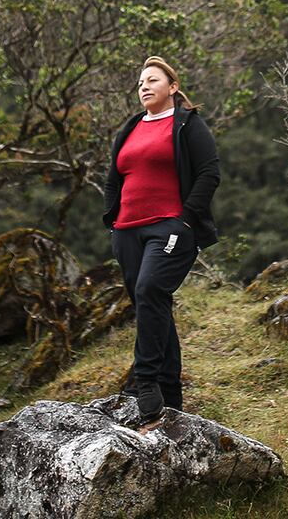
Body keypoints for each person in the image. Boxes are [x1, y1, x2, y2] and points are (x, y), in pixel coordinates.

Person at [103, 55, 219, 419]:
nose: (144, 87)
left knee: (150, 290)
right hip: (127, 231)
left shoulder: (187, 124)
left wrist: (185, 221)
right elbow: (114, 176)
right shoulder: (132, 126)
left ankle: (145, 381)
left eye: (152, 80)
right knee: (151, 305)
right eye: (140, 83)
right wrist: (112, 219)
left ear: (172, 87)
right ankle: (170, 397)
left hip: (169, 227)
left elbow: (209, 173)